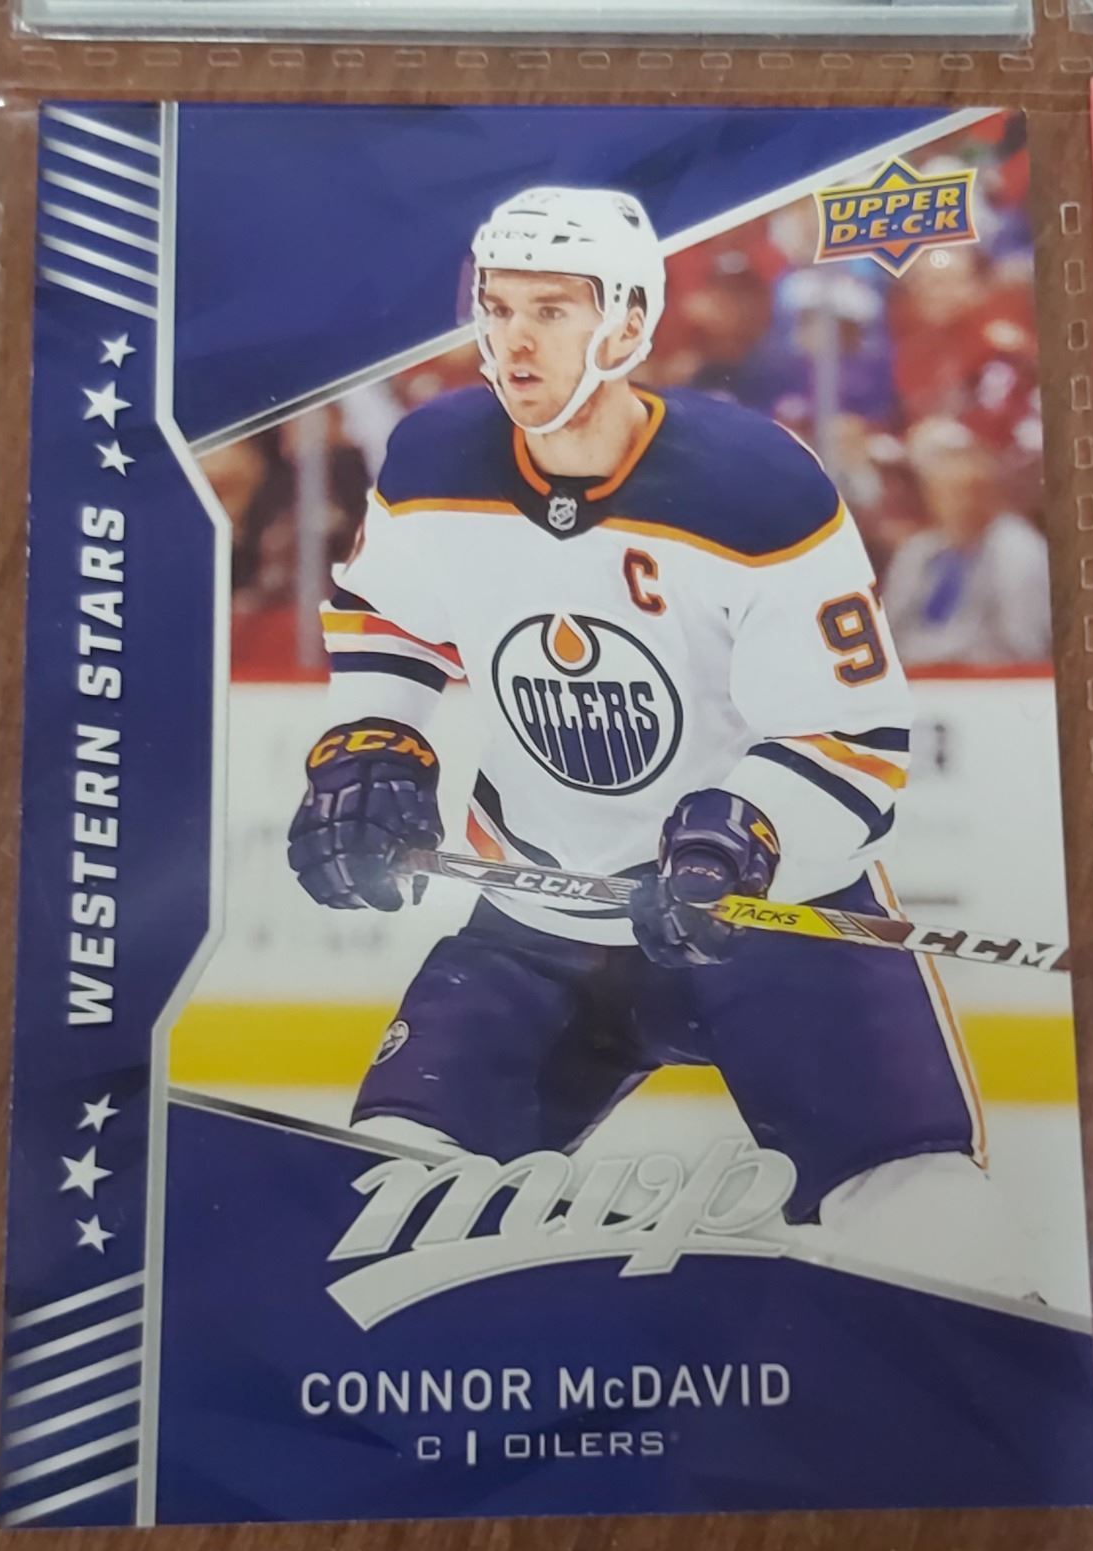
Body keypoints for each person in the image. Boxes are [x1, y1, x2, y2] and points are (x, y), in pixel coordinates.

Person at [285, 185, 984, 1229]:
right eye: (498, 308)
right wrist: (374, 738)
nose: (514, 342)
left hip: (771, 923)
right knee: (389, 1202)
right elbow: (385, 614)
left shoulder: (755, 486)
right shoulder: (434, 460)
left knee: (930, 1223)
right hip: (539, 923)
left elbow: (855, 735)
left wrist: (744, 832)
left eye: (551, 310)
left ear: (626, 323)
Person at [884, 418, 1050, 668]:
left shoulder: (1019, 549)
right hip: (917, 674)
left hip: (992, 680)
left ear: (988, 495)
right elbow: (888, 632)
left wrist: (938, 657)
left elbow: (1023, 643)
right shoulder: (919, 550)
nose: (958, 506)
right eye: (945, 495)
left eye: (966, 493)